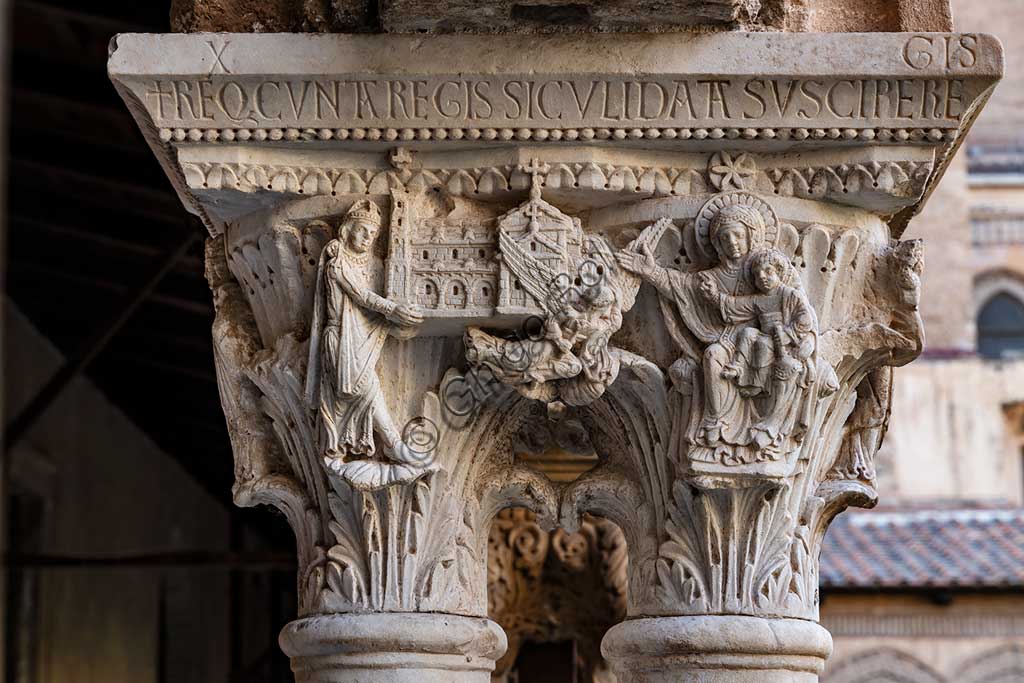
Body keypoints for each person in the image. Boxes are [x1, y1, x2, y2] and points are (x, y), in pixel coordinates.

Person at [305, 200, 434, 490]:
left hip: (357, 337)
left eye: (373, 235)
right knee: (362, 388)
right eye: (363, 230)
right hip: (340, 341)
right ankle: (384, 446)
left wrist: (392, 315)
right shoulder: (337, 260)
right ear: (348, 228)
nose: (367, 238)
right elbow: (360, 295)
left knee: (369, 387)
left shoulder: (368, 263)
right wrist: (392, 310)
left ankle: (391, 445)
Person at [702, 248, 817, 452]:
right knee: (747, 334)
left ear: (780, 273)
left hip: (785, 344)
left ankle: (762, 395)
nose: (763, 277)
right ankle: (739, 368)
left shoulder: (790, 295)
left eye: (768, 272)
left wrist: (788, 334)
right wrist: (713, 296)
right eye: (758, 275)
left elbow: (805, 319)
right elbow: (734, 305)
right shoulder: (758, 300)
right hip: (766, 339)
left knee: (763, 346)